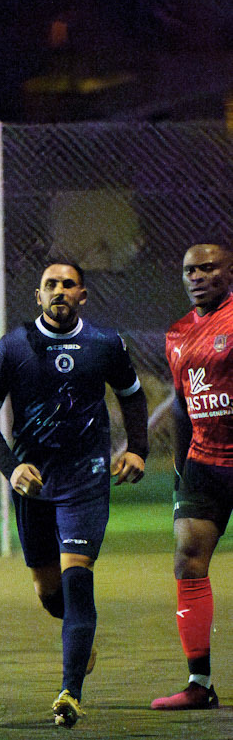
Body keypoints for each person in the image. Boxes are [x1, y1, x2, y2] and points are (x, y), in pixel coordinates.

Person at [0, 259, 147, 726]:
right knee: (50, 594)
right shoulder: (14, 346)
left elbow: (132, 394)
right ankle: (80, 634)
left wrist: (138, 449)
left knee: (76, 580)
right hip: (35, 483)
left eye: (69, 285)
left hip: (86, 480)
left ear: (83, 295)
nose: (60, 291)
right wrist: (12, 469)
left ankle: (70, 691)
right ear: (38, 296)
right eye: (51, 285)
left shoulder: (105, 344)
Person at [151, 240, 233, 711]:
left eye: (208, 268)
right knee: (188, 558)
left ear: (228, 272)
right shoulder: (177, 333)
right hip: (204, 463)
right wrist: (181, 467)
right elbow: (182, 407)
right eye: (189, 270)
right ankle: (199, 683)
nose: (196, 276)